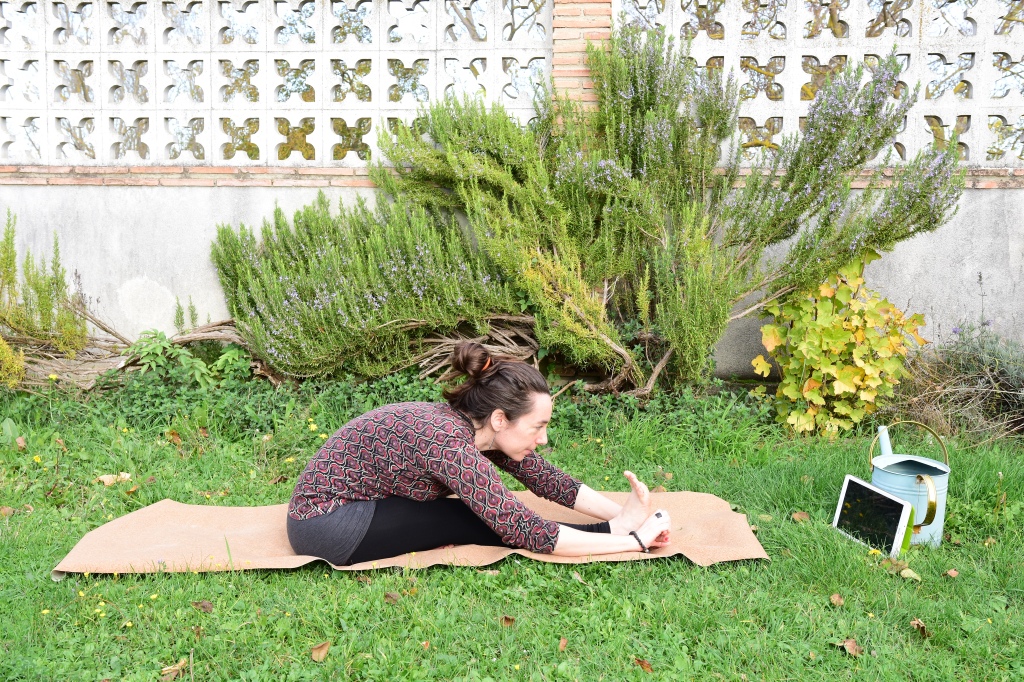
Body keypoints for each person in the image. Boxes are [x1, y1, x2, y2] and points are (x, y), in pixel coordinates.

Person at [286, 341, 672, 565]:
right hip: (325, 524)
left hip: (362, 505)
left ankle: (612, 530)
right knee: (471, 517)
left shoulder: (481, 429)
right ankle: (611, 536)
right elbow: (521, 527)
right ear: (500, 418)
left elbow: (545, 478)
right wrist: (633, 541)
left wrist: (620, 515)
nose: (543, 438)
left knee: (479, 510)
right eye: (537, 426)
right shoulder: (449, 443)